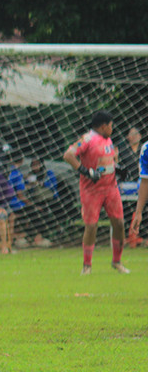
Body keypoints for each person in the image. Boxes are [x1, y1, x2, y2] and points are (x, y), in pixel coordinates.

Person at [63, 110, 128, 275]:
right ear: (104, 126)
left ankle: (117, 262)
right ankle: (87, 265)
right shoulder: (87, 139)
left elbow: (108, 160)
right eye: (111, 126)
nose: (112, 129)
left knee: (119, 223)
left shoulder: (108, 140)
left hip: (111, 188)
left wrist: (117, 168)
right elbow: (68, 155)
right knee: (91, 226)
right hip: (91, 190)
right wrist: (85, 171)